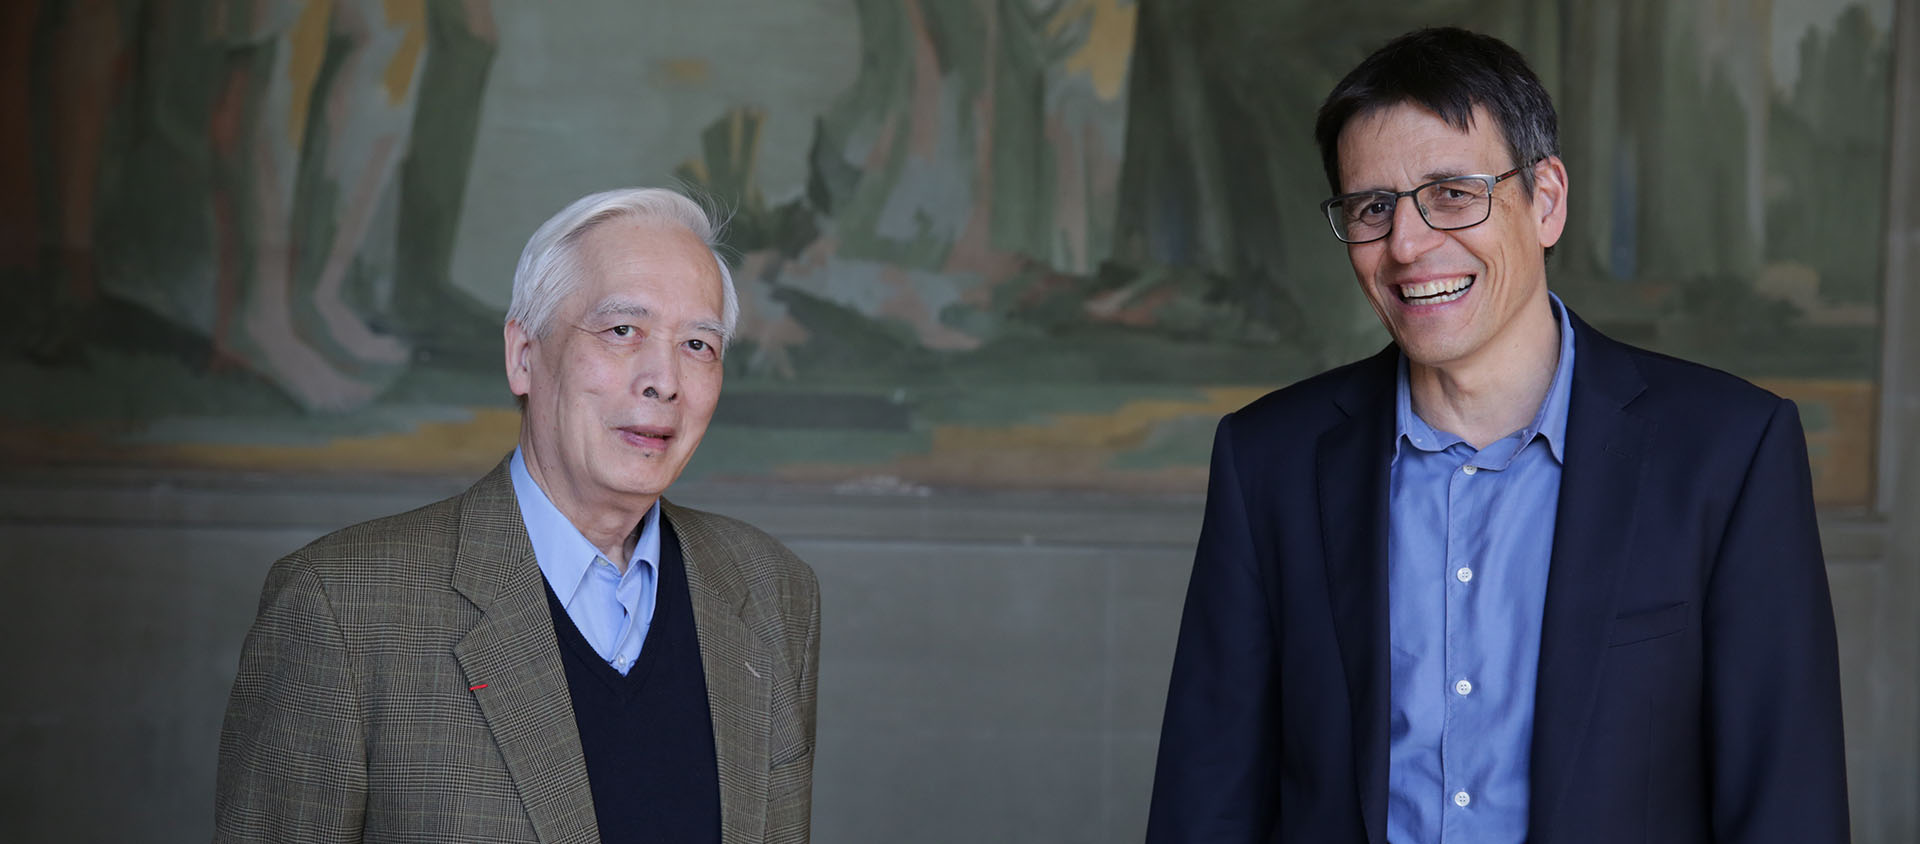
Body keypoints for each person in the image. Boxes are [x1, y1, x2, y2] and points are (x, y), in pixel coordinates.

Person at [1145, 27, 1847, 844]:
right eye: (1373, 208)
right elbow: (1208, 798)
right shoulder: (1267, 460)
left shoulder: (1728, 451)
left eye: (1452, 193)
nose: (1407, 245)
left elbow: (1786, 802)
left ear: (1545, 201)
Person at [215, 187, 821, 843]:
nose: (664, 380)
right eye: (623, 331)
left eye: (698, 345)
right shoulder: (342, 606)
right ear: (523, 355)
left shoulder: (771, 591)